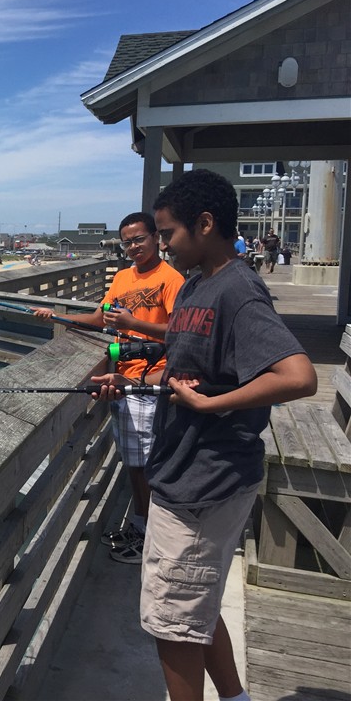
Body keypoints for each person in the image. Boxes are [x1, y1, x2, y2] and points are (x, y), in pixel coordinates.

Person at [137, 169, 316, 701]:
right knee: (197, 607)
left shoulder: (238, 290)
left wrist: (211, 405)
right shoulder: (197, 283)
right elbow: (191, 363)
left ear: (205, 224)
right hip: (183, 473)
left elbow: (299, 376)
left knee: (172, 625)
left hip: (205, 481)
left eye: (168, 233)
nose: (162, 245)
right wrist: (134, 383)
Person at [34, 211, 184, 564]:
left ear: (156, 238)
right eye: (127, 242)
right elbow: (101, 318)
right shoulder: (121, 277)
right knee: (135, 463)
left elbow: (180, 332)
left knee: (146, 466)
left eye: (139, 239)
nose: (133, 247)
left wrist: (133, 324)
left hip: (151, 381)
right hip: (122, 377)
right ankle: (142, 524)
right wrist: (60, 317)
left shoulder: (171, 279)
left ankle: (149, 537)